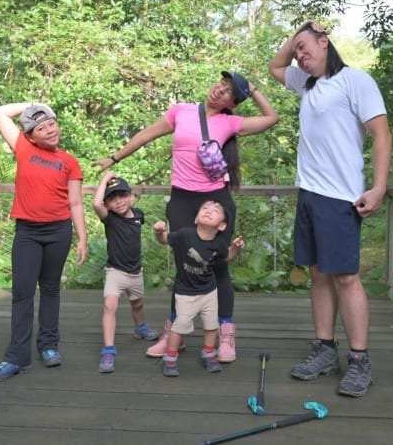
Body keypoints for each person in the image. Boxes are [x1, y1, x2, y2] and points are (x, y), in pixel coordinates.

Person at [93, 70, 278, 363]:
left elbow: (271, 118)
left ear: (232, 103)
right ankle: (173, 337)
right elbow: (145, 135)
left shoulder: (230, 122)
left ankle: (225, 335)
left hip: (215, 200)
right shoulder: (181, 111)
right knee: (184, 268)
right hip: (181, 201)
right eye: (221, 83)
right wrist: (114, 158)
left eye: (229, 91)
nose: (220, 89)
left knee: (218, 265)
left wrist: (251, 88)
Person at [268, 21, 392, 397]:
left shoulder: (355, 81)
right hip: (309, 194)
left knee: (345, 278)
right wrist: (298, 33)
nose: (299, 55)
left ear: (325, 43)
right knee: (318, 274)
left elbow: (381, 134)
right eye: (296, 50)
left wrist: (378, 187)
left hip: (341, 197)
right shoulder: (306, 83)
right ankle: (324, 350)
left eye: (305, 47)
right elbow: (275, 67)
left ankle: (359, 360)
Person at [0, 102, 88, 382]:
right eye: (42, 128)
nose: (50, 130)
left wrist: (82, 237)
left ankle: (49, 346)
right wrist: (33, 105)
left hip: (59, 231)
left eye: (52, 123)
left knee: (51, 289)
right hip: (28, 232)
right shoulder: (23, 147)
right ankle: (16, 358)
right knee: (22, 292)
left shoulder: (69, 161)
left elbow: (76, 202)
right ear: (30, 136)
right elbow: (0, 112)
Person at [152, 200, 245, 376]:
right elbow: (164, 240)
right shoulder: (184, 235)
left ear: (222, 226)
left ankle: (208, 353)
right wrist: (158, 232)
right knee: (180, 326)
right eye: (205, 208)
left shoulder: (218, 243)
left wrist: (235, 248)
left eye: (215, 210)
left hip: (209, 291)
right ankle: (170, 356)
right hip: (185, 293)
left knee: (211, 326)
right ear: (196, 218)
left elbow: (227, 256)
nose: (209, 210)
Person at [91, 172, 159, 373]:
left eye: (122, 196)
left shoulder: (139, 215)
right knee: (109, 305)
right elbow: (96, 205)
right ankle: (108, 350)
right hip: (116, 271)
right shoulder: (110, 219)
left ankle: (140, 327)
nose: (118, 202)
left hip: (135, 272)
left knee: (137, 304)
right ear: (107, 204)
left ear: (131, 196)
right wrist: (105, 179)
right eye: (112, 199)